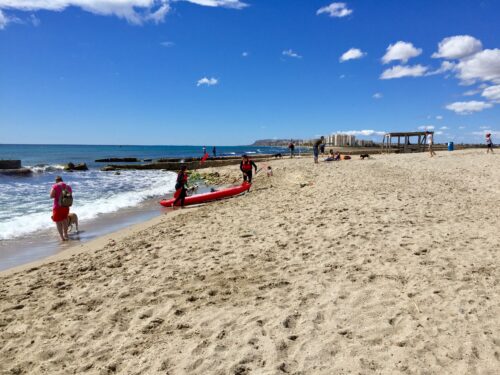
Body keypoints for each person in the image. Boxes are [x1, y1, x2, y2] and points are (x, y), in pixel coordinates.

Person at [50, 176, 72, 241]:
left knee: (58, 222)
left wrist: (57, 195)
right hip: (66, 206)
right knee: (65, 220)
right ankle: (66, 234)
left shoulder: (55, 186)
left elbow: (51, 196)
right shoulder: (68, 186)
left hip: (57, 207)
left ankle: (62, 237)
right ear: (62, 180)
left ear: (56, 181)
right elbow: (70, 195)